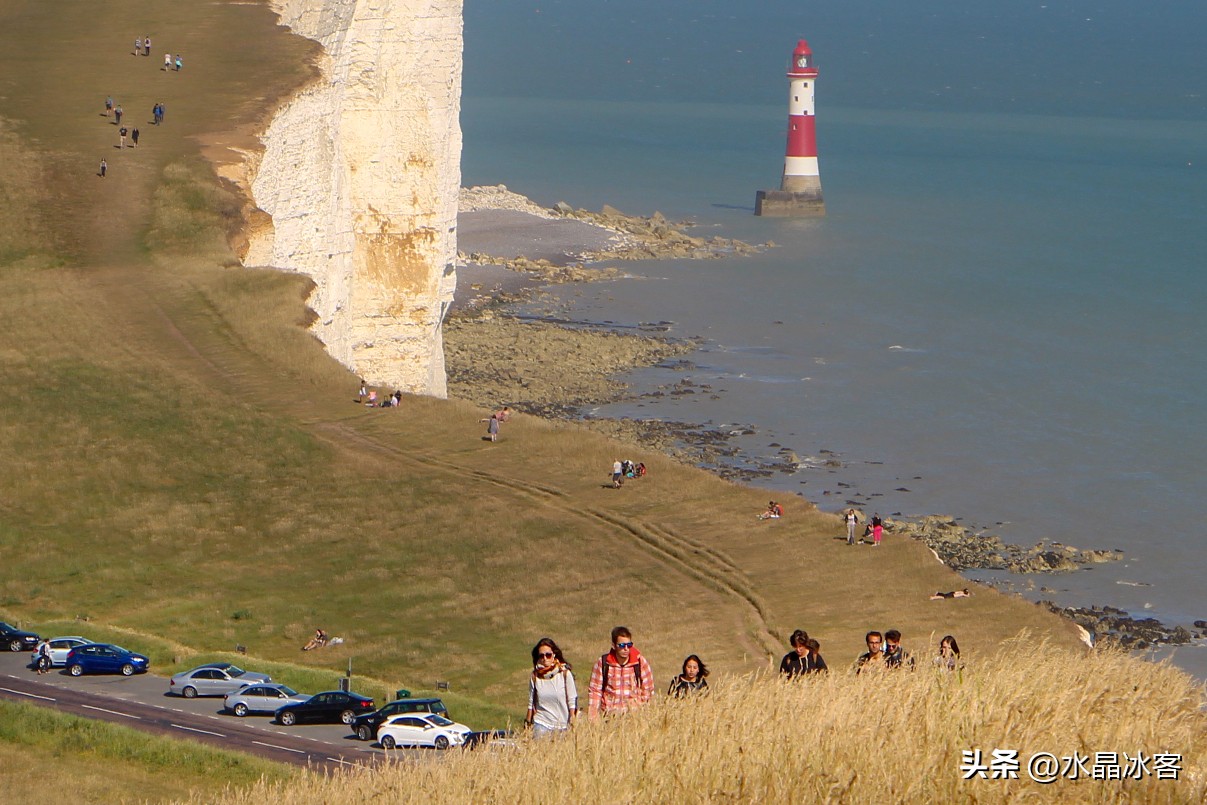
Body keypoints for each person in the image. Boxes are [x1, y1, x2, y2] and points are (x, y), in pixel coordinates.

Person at [587, 626, 653, 719]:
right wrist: (593, 717)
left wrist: (644, 714)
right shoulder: (603, 663)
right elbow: (595, 691)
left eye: (629, 645)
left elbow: (648, 689)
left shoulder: (640, 662)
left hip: (633, 718)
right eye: (622, 645)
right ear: (614, 646)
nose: (626, 649)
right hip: (610, 718)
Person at [525, 638, 577, 737]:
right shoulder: (535, 677)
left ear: (554, 655)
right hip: (542, 723)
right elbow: (531, 702)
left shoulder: (565, 674)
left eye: (548, 655)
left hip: (562, 725)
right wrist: (527, 723)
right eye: (541, 656)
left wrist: (572, 719)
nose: (545, 658)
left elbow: (572, 700)